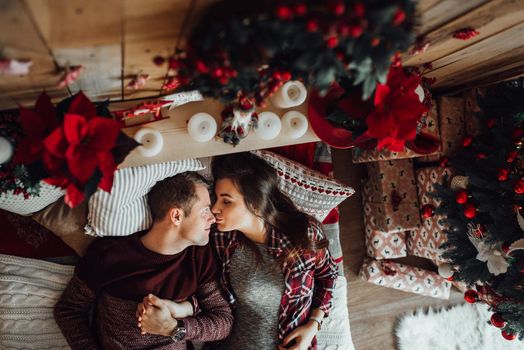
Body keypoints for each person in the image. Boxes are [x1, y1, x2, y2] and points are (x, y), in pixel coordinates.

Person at [54, 172, 233, 349]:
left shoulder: (198, 256)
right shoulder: (109, 254)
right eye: (205, 211)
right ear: (176, 216)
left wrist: (174, 329)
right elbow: (69, 310)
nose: (213, 218)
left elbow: (223, 321)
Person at [208, 152, 338, 350]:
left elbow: (328, 274)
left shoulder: (304, 234)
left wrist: (314, 324)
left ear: (255, 203)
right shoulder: (220, 239)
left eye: (226, 201)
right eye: (216, 198)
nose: (214, 208)